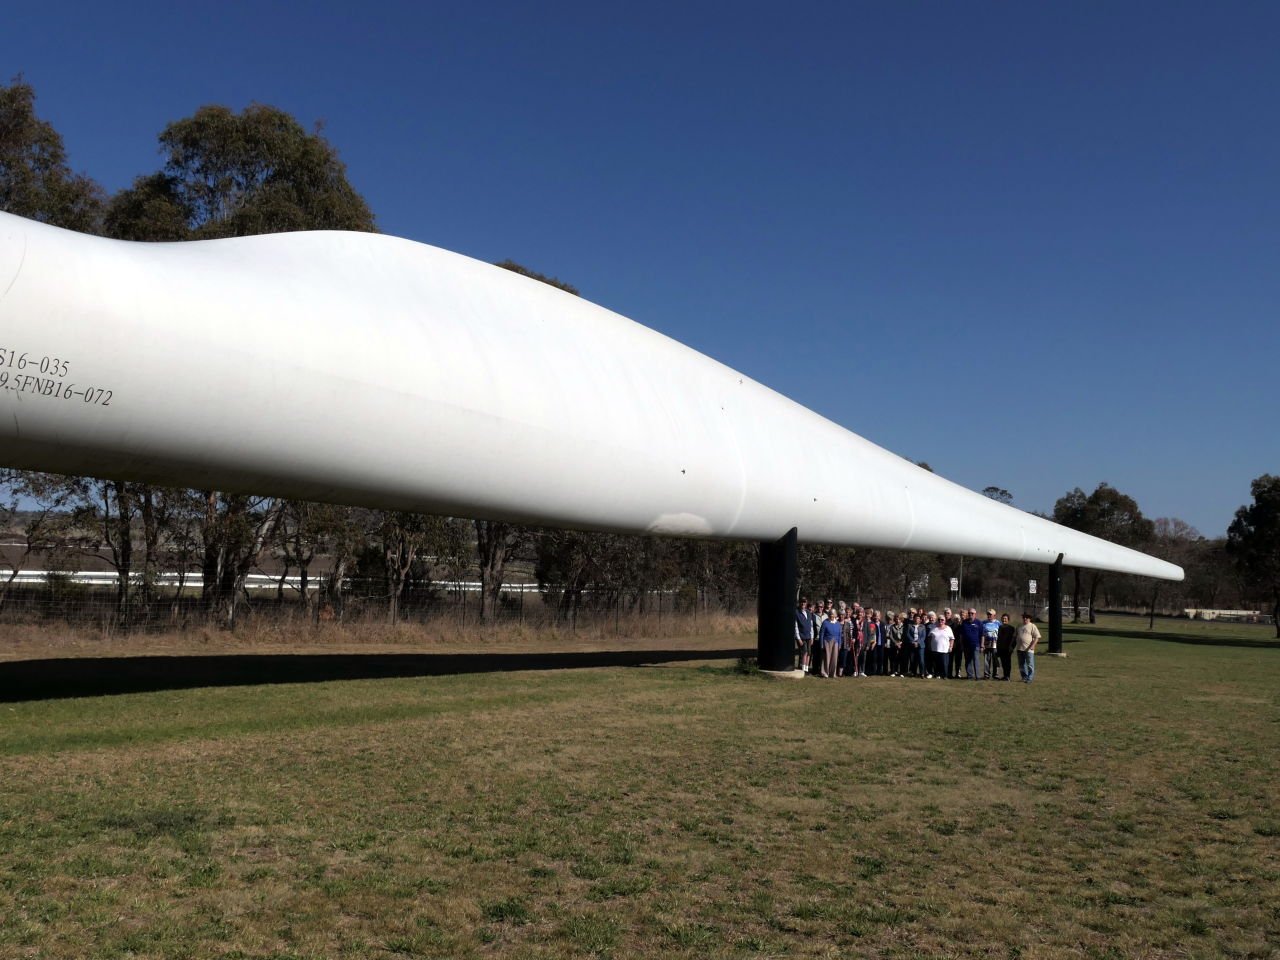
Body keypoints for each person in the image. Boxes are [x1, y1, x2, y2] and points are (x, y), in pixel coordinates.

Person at [1016, 612, 1041, 683]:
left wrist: (1033, 646)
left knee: (1030, 664)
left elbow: (1037, 637)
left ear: (1030, 619)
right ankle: (1024, 677)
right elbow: (1015, 636)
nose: (1025, 618)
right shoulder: (1019, 626)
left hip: (1029, 649)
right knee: (1021, 665)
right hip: (1019, 648)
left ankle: (1029, 678)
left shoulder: (1032, 626)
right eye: (1024, 617)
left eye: (1026, 617)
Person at [928, 612, 953, 680]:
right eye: (939, 619)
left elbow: (952, 638)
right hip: (935, 649)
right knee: (936, 664)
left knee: (944, 664)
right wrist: (929, 645)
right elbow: (929, 637)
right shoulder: (934, 628)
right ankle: (937, 675)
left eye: (942, 620)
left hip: (945, 650)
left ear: (945, 621)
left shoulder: (948, 628)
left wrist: (951, 647)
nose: (940, 621)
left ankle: (945, 675)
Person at [820, 606, 843, 679]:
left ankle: (832, 673)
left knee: (834, 658)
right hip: (827, 641)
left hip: (836, 642)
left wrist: (839, 644)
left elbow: (840, 635)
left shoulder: (838, 624)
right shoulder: (825, 622)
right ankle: (825, 673)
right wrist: (821, 644)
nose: (832, 615)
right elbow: (822, 634)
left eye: (833, 614)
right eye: (830, 614)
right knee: (826, 657)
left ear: (836, 615)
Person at [960, 608, 984, 680]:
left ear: (975, 614)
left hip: (975, 645)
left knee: (976, 661)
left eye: (972, 613)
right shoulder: (964, 622)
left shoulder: (979, 622)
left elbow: (982, 635)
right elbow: (961, 635)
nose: (970, 614)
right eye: (969, 613)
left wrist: (982, 645)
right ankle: (970, 676)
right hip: (966, 645)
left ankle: (978, 676)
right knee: (968, 661)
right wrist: (961, 644)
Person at [795, 598, 815, 672]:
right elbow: (796, 627)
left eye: (804, 602)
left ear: (806, 603)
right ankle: (803, 668)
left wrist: (812, 637)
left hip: (809, 636)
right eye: (802, 602)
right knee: (804, 652)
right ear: (800, 603)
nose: (803, 604)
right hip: (802, 636)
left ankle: (806, 668)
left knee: (809, 653)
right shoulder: (796, 612)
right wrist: (798, 638)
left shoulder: (809, 613)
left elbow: (811, 626)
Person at [981, 609, 1001, 679]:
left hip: (995, 645)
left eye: (990, 614)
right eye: (988, 614)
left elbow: (1000, 634)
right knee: (987, 660)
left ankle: (996, 675)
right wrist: (982, 644)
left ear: (994, 615)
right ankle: (986, 675)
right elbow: (982, 634)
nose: (988, 615)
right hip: (986, 645)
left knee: (995, 659)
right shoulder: (983, 623)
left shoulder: (998, 623)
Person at [905, 612, 927, 677]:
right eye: (915, 618)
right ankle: (913, 672)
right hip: (912, 645)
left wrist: (918, 642)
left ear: (920, 620)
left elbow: (923, 636)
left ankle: (922, 673)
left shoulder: (923, 626)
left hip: (921, 645)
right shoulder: (909, 626)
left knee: (921, 660)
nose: (917, 619)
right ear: (914, 619)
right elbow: (908, 634)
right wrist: (913, 642)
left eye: (918, 618)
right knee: (912, 659)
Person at [996, 613, 1016, 681]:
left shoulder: (1011, 628)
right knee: (1003, 663)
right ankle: (1005, 676)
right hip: (1001, 648)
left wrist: (1012, 647)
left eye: (1005, 619)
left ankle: (1008, 676)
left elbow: (1014, 639)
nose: (1004, 620)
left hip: (1008, 649)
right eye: (1003, 618)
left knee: (1007, 663)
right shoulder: (999, 627)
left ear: (1008, 620)